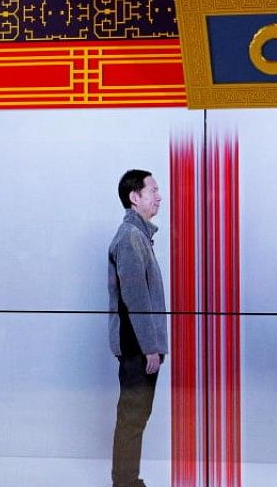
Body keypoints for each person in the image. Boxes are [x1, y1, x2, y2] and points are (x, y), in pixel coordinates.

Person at [108, 169, 168, 487]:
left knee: (135, 417)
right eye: (153, 190)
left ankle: (127, 479)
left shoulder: (139, 236)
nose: (159, 196)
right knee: (132, 417)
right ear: (135, 198)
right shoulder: (130, 238)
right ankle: (125, 482)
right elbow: (136, 299)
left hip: (138, 345)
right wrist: (151, 347)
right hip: (137, 347)